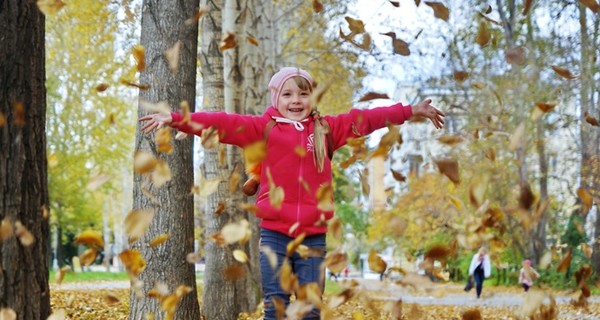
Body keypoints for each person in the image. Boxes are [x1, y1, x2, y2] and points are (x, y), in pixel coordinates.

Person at [139, 67, 445, 319]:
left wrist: (411, 110)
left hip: (313, 235)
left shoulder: (327, 130)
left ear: (311, 97)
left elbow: (366, 120)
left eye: (303, 93)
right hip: (274, 234)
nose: (296, 100)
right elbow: (222, 123)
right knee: (277, 306)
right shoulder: (264, 129)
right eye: (288, 94)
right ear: (276, 98)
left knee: (310, 308)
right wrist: (177, 119)